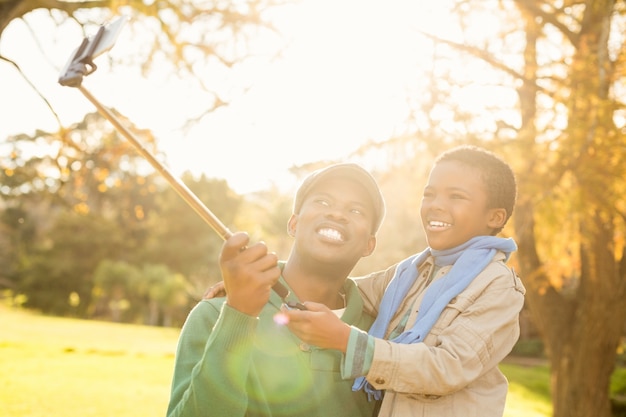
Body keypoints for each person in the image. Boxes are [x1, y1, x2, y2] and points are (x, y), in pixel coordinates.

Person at [282, 145, 526, 417]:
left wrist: (347, 341)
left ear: (495, 217)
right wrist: (267, 276)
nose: (436, 205)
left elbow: (448, 367)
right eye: (429, 194)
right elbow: (343, 288)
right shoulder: (412, 271)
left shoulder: (498, 286)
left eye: (456, 196)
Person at [166, 163, 386, 417]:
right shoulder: (213, 315)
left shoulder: (383, 338)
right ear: (293, 224)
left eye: (356, 210)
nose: (337, 214)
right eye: (323, 202)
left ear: (369, 245)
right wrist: (239, 315)